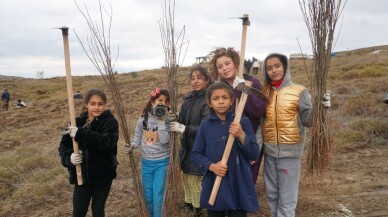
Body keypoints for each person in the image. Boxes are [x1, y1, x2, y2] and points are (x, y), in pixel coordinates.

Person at [258, 53, 330, 217]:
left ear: (285, 67)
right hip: (269, 153)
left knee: (287, 198)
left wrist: (320, 108)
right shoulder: (264, 93)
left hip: (290, 153)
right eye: (269, 68)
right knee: (272, 194)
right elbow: (260, 120)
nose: (274, 70)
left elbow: (308, 121)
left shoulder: (299, 91)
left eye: (277, 66)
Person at [191, 82, 260, 217]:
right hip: (215, 184)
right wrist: (211, 166)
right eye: (216, 99)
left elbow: (254, 154)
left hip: (239, 183)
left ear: (231, 101)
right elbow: (196, 154)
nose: (221, 102)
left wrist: (241, 135)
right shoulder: (205, 125)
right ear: (209, 103)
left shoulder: (242, 122)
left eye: (225, 98)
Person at [208, 47, 266, 184]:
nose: (224, 68)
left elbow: (258, 110)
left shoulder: (252, 82)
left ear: (235, 63)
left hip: (248, 137)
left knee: (247, 177)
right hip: (226, 138)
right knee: (228, 177)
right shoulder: (219, 89)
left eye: (227, 63)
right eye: (220, 66)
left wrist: (243, 90)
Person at [59, 88, 119, 217]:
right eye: (93, 104)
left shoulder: (110, 122)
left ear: (105, 105)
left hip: (103, 175)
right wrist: (70, 158)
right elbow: (63, 147)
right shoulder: (76, 123)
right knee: (78, 212)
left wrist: (81, 133)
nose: (96, 107)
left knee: (98, 210)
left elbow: (106, 143)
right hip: (82, 176)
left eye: (100, 104)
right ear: (86, 104)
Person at [169, 64, 211, 216]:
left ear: (206, 80)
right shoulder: (188, 98)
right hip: (185, 147)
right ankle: (189, 203)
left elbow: (206, 128)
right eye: (193, 78)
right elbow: (181, 119)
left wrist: (184, 129)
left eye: (200, 78)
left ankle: (198, 208)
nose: (196, 81)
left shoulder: (208, 100)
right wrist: (175, 118)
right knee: (186, 179)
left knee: (194, 181)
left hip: (198, 148)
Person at [124, 88, 170, 217]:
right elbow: (137, 137)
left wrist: (161, 121)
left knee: (158, 195)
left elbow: (165, 141)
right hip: (146, 163)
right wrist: (132, 146)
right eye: (159, 100)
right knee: (148, 195)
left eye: (166, 101)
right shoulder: (142, 119)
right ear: (152, 102)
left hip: (162, 162)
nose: (162, 103)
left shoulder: (167, 120)